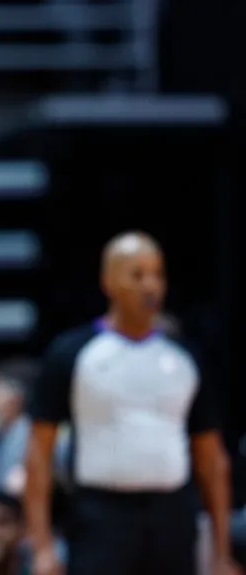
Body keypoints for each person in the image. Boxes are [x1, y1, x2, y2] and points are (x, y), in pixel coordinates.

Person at [24, 231, 240, 575]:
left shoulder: (184, 358)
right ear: (108, 281)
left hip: (173, 516)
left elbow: (211, 458)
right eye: (136, 274)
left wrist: (221, 553)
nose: (150, 285)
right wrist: (43, 546)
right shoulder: (72, 353)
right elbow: (38, 455)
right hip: (100, 517)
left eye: (157, 274)